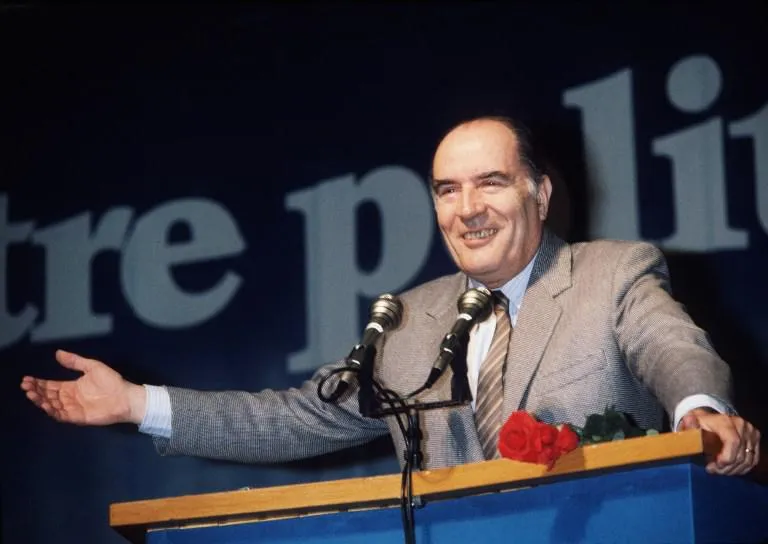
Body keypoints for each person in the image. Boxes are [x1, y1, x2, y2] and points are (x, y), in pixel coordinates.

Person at [21, 116, 760, 476]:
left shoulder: (612, 274)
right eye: (446, 189)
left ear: (539, 192)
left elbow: (672, 348)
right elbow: (297, 417)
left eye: (490, 183)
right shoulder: (408, 322)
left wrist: (701, 415)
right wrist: (136, 404)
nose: (466, 207)